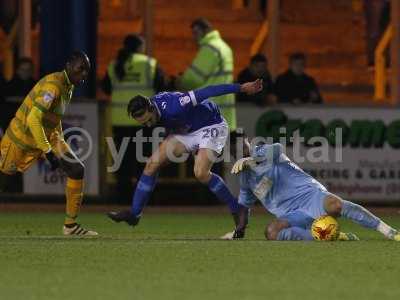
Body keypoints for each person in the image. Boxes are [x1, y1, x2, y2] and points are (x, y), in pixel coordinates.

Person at [107, 80, 263, 228]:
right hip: (185, 131)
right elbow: (170, 123)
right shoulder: (152, 107)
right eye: (144, 123)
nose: (148, 125)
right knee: (151, 164)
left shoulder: (175, 105)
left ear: (152, 108)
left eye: (148, 120)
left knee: (200, 173)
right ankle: (135, 215)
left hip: (210, 125)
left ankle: (237, 209)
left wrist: (241, 88)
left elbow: (209, 91)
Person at [223, 131, 400, 241]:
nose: (239, 152)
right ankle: (333, 236)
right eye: (234, 150)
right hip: (292, 215)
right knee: (271, 232)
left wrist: (251, 159)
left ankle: (388, 231)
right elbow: (244, 207)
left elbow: (277, 148)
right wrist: (238, 231)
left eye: (242, 147)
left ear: (248, 142)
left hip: (311, 196)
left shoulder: (264, 151)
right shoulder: (244, 179)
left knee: (336, 205)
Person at [0, 51, 97, 236]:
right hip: (21, 139)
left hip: (48, 136)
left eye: (87, 71)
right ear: (68, 66)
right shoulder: (53, 86)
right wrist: (48, 151)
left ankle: (70, 226)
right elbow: (33, 120)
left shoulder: (68, 84)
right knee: (3, 182)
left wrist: (57, 139)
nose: (84, 74)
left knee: (77, 169)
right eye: (80, 69)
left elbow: (53, 115)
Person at [101, 34, 166, 199]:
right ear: (140, 47)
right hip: (145, 121)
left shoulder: (114, 65)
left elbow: (106, 88)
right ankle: (144, 197)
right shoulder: (149, 64)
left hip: (120, 122)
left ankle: (122, 196)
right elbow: (162, 87)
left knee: (123, 161)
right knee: (145, 160)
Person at [177, 18, 236, 131]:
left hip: (210, 108)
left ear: (206, 30)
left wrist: (181, 81)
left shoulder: (210, 48)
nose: (194, 37)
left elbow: (194, 78)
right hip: (224, 106)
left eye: (196, 33)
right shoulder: (224, 47)